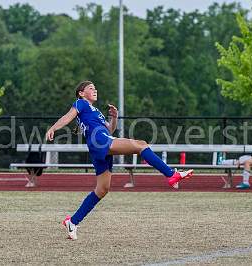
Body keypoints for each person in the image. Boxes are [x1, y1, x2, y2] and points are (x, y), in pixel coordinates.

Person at [45, 81, 193, 240]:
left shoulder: (95, 111)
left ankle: (72, 222)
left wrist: (114, 118)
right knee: (141, 144)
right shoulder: (81, 103)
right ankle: (171, 174)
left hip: (99, 144)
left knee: (102, 189)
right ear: (81, 93)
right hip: (100, 141)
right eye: (90, 88)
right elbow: (68, 116)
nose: (95, 90)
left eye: (95, 88)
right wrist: (53, 128)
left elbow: (109, 129)